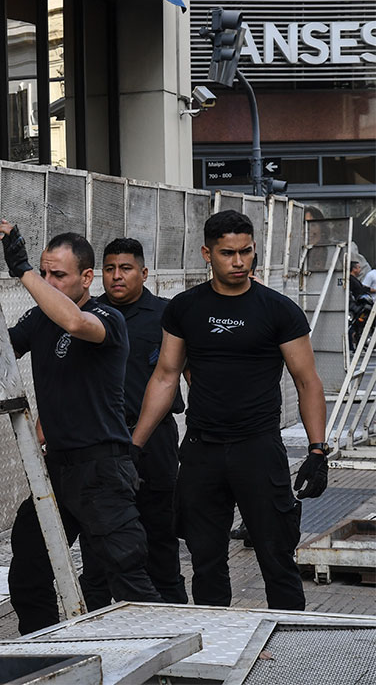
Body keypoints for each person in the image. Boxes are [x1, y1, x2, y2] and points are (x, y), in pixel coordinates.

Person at [132, 209, 328, 610]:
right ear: (207, 253)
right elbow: (166, 376)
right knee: (206, 564)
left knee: (277, 559)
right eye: (227, 253)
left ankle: (291, 649)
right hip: (202, 449)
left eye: (246, 252)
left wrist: (317, 449)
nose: (239, 262)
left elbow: (307, 381)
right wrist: (134, 445)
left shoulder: (278, 310)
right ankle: (215, 653)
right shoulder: (185, 308)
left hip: (258, 448)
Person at [0, 222, 160, 635]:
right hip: (56, 469)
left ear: (87, 278)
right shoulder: (39, 318)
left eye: (59, 275)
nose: (48, 282)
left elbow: (74, 323)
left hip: (101, 469)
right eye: (44, 272)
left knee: (126, 576)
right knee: (29, 571)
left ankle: (161, 662)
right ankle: (48, 654)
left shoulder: (106, 317)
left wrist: (24, 272)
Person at [79, 238, 188, 608]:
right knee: (99, 545)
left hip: (154, 442)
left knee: (159, 536)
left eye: (125, 268)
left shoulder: (167, 315)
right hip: (101, 443)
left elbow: (188, 374)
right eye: (109, 269)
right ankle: (98, 626)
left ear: (144, 273)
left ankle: (172, 621)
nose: (116, 276)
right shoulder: (88, 315)